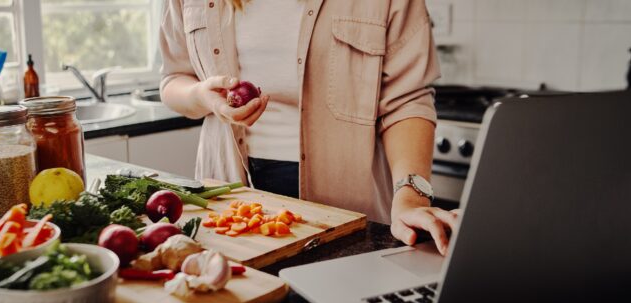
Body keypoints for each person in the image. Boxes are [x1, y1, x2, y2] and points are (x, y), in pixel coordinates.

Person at [159, 0, 459, 254]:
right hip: (229, 204)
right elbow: (174, 79)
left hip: (348, 211)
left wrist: (410, 198)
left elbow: (407, 100)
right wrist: (201, 97)